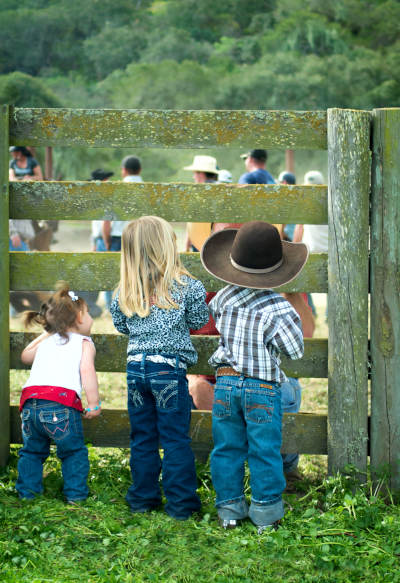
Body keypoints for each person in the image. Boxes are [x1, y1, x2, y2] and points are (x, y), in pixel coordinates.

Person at [200, 221, 308, 531]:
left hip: (226, 382)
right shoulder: (278, 307)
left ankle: (229, 510)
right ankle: (265, 514)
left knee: (227, 447)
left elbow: (218, 319)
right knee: (263, 449)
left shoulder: (223, 298)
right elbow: (295, 350)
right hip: (262, 387)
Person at [110, 216, 209, 520]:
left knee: (142, 436)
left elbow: (121, 325)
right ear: (169, 246)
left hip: (136, 371)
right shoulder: (187, 287)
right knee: (175, 437)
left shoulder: (123, 291)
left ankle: (142, 498)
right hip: (167, 371)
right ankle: (181, 504)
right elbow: (198, 321)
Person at [15, 283, 101, 502]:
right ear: (80, 318)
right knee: (72, 452)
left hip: (30, 404)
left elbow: (25, 356)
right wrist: (93, 403)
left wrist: (48, 332)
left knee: (32, 452)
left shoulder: (47, 341)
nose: (91, 319)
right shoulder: (84, 342)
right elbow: (87, 371)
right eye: (89, 313)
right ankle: (75, 496)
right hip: (60, 405)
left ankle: (28, 495)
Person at [101, 156, 143, 310]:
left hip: (119, 237)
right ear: (140, 170)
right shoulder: (149, 189)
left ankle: (113, 308)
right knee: (139, 274)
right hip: (141, 237)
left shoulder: (116, 190)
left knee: (115, 275)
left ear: (124, 170)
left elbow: (106, 221)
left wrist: (106, 241)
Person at [183, 155, 219, 251]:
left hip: (201, 243)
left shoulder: (199, 193)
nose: (193, 176)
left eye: (195, 173)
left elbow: (192, 222)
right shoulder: (220, 190)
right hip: (217, 242)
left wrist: (186, 245)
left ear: (201, 173)